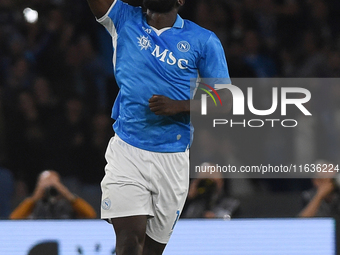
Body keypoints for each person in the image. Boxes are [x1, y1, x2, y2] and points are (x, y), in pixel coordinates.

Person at [86, 0, 230, 254]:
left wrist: (180, 106)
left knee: (151, 251)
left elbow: (225, 101)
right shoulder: (124, 18)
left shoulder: (203, 40)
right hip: (127, 150)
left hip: (172, 158)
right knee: (129, 242)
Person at [9, 170, 97, 219]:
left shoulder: (69, 204)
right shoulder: (31, 206)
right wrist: (35, 198)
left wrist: (67, 194)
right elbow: (13, 219)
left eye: (55, 184)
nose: (51, 188)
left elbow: (91, 214)